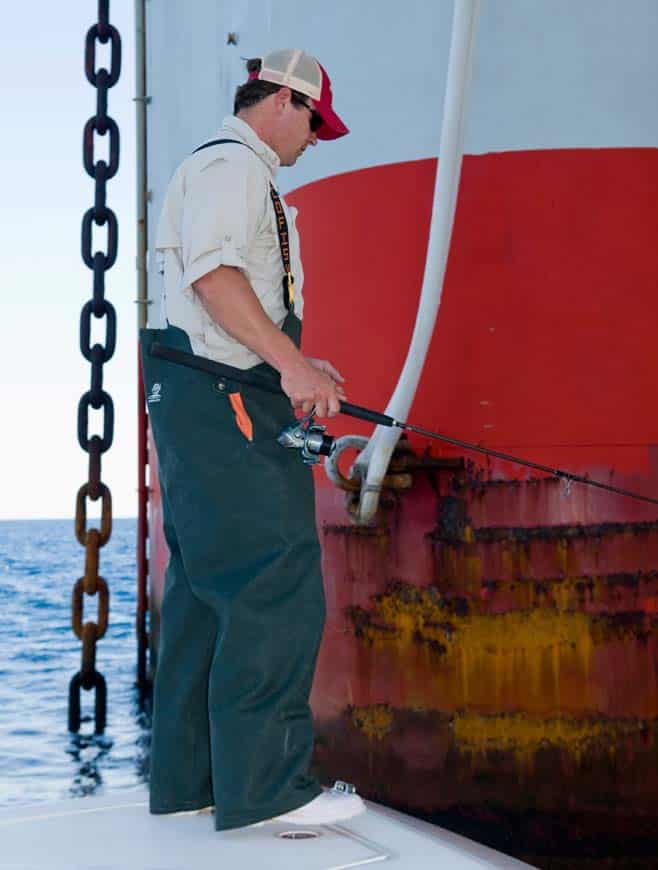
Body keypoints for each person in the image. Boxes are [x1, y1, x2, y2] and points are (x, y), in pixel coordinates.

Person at [140, 49, 366, 831]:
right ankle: (268, 791)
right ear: (285, 101)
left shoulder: (225, 171)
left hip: (205, 394)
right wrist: (292, 366)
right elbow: (216, 277)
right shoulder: (235, 167)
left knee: (207, 591)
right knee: (273, 574)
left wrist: (297, 365)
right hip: (225, 400)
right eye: (315, 124)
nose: (315, 141)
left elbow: (215, 299)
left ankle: (191, 786)